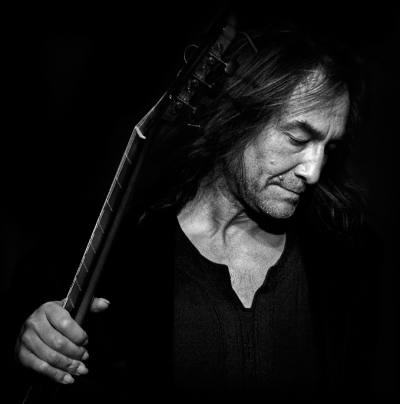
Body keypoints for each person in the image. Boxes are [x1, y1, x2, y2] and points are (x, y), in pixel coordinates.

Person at [5, 20, 382, 404]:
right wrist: (27, 345)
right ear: (236, 118)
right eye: (298, 138)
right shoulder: (94, 246)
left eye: (328, 148)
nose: (313, 171)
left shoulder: (349, 257)